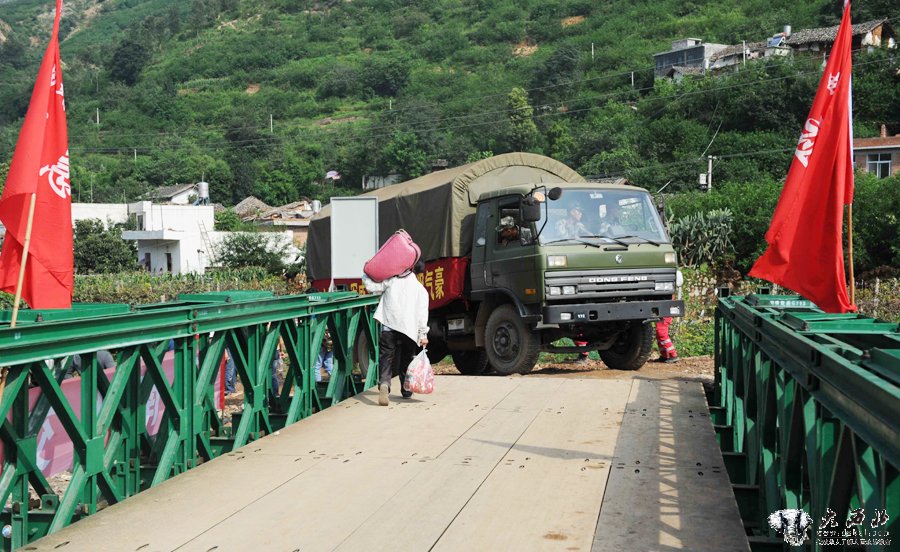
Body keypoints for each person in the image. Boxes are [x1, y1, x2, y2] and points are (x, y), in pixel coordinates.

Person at [363, 257, 429, 406]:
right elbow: (422, 314)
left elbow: (371, 287)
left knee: (386, 356)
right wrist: (423, 334)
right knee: (407, 358)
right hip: (409, 330)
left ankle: (385, 382)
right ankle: (406, 389)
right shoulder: (421, 290)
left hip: (389, 326)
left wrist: (366, 272)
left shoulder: (392, 280)